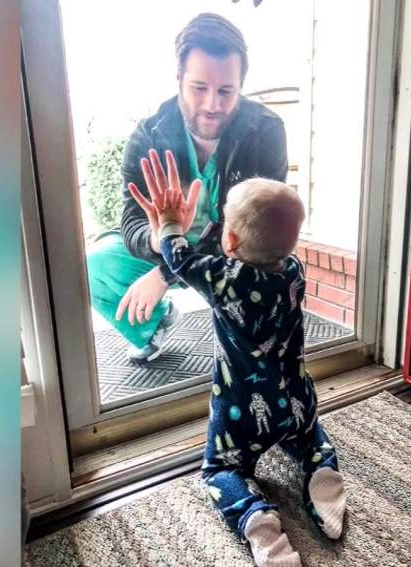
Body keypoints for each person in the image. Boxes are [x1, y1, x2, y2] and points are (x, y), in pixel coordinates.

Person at [129, 152, 346, 567]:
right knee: (310, 437)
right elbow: (249, 250)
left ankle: (257, 520)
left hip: (242, 414)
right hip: (297, 401)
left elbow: (179, 258)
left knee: (219, 471)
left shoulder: (225, 280)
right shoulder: (294, 271)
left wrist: (170, 223)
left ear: (229, 241)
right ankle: (322, 470)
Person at [86, 13, 288, 363]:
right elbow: (131, 221)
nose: (212, 105)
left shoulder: (266, 131)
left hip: (232, 253)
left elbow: (262, 227)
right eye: (199, 88)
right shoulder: (147, 135)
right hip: (164, 247)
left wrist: (168, 272)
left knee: (268, 280)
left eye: (226, 91)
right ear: (179, 79)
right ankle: (156, 324)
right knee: (93, 266)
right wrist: (161, 236)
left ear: (241, 85)